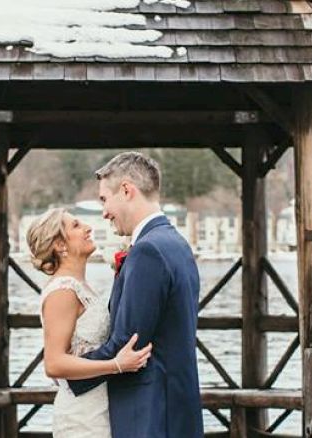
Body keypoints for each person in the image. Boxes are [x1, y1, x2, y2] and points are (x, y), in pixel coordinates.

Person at [68, 152, 203, 437]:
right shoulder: (176, 243)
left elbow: (129, 342)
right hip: (176, 406)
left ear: (127, 190)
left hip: (148, 413)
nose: (104, 212)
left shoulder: (148, 251)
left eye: (105, 199)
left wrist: (71, 372)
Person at [27, 207, 151, 438]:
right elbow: (54, 364)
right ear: (59, 245)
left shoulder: (82, 287)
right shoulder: (63, 292)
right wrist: (117, 365)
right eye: (76, 225)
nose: (88, 228)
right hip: (82, 417)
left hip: (102, 407)